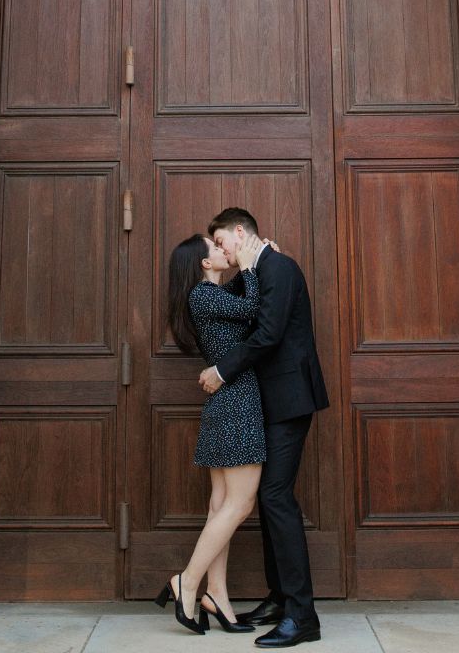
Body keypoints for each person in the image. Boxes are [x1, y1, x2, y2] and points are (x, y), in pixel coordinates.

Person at [200, 207, 328, 649]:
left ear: (240, 233)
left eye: (221, 242)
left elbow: (269, 332)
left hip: (290, 400)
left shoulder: (281, 267)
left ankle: (302, 614)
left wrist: (222, 371)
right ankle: (279, 598)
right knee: (267, 498)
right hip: (268, 403)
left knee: (274, 496)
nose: (220, 251)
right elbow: (242, 306)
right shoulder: (259, 268)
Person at [157, 230, 267, 635]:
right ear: (205, 263)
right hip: (236, 401)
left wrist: (251, 258)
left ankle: (216, 592)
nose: (224, 250)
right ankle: (187, 581)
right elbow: (253, 309)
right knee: (240, 504)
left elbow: (240, 293)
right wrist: (252, 265)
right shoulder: (203, 295)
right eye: (216, 248)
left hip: (229, 400)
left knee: (222, 503)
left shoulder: (213, 294)